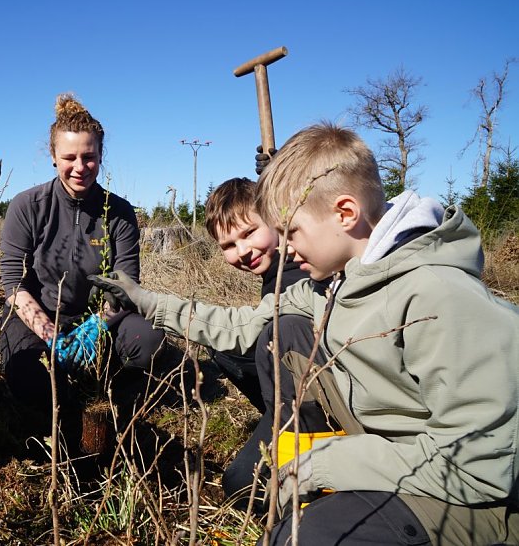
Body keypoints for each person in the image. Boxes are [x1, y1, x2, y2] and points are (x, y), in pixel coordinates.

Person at [91, 122, 519, 545]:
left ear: (346, 213)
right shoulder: (328, 285)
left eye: (291, 230)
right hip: (384, 447)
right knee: (250, 479)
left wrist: (327, 464)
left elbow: (477, 467)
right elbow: (241, 327)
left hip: (475, 501)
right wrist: (148, 301)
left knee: (305, 537)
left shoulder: (440, 296)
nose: (286, 247)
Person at [0, 93, 165, 429]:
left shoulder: (118, 212)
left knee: (150, 344)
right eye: (69, 157)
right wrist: (48, 332)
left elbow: (126, 284)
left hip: (98, 318)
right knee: (27, 374)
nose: (79, 167)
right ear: (54, 157)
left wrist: (98, 325)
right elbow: (13, 281)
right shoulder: (28, 205)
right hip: (40, 314)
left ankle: (110, 384)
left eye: (88, 157)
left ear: (101, 156)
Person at [202, 177, 329, 502]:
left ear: (277, 220)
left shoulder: (305, 264)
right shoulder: (274, 270)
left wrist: (277, 180)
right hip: (299, 390)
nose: (243, 251)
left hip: (326, 405)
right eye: (228, 245)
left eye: (249, 233)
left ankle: (304, 439)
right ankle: (275, 413)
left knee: (243, 486)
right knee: (225, 348)